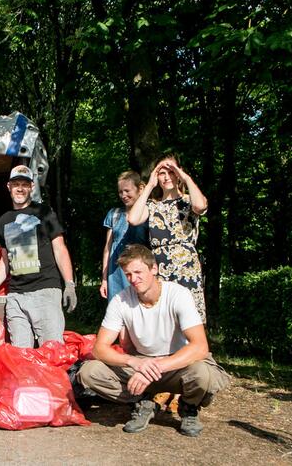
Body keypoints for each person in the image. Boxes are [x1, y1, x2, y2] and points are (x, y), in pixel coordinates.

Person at [75, 245, 229, 437]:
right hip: (141, 363)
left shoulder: (178, 294)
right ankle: (142, 400)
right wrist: (134, 362)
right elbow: (99, 349)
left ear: (154, 269)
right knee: (90, 371)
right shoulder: (120, 301)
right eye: (128, 274)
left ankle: (188, 407)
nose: (133, 279)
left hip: (176, 365)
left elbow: (199, 346)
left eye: (138, 272)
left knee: (203, 374)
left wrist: (156, 367)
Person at [0, 165, 77, 348]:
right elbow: (5, 260)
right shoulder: (4, 220)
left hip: (45, 291)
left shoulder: (44, 213)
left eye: (24, 184)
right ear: (9, 187)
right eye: (16, 184)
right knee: (21, 356)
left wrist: (69, 284)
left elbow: (60, 249)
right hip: (16, 296)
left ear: (31, 187)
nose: (20, 188)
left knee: (51, 352)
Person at [127, 154, 208, 322]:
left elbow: (200, 206)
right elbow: (133, 219)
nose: (166, 177)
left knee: (190, 318)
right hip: (161, 266)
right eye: (161, 173)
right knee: (164, 317)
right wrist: (149, 185)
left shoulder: (189, 200)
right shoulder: (152, 205)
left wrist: (184, 177)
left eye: (170, 172)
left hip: (186, 266)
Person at [100, 171, 149, 303]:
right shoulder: (114, 214)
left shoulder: (149, 212)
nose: (123, 195)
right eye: (120, 192)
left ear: (140, 189)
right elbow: (107, 248)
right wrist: (104, 279)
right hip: (115, 275)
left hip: (139, 272)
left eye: (127, 191)